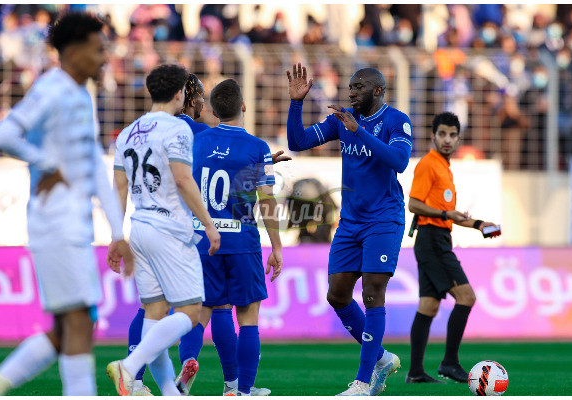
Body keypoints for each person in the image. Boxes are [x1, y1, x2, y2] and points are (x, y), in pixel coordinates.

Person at [0, 12, 133, 396]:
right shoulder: (53, 90)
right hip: (55, 224)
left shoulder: (77, 94)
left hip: (71, 224)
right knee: (79, 321)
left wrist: (118, 231)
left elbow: (93, 167)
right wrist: (45, 163)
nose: (104, 57)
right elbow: (1, 133)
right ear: (73, 51)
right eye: (98, 49)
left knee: (66, 327)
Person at [286, 64, 411, 396]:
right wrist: (296, 102)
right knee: (337, 294)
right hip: (351, 221)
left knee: (372, 293)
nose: (352, 91)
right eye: (350, 85)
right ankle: (382, 358)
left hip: (383, 219)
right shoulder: (340, 120)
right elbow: (297, 141)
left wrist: (360, 131)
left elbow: (399, 161)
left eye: (359, 86)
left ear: (378, 91)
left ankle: (362, 382)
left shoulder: (396, 120)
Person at [105, 63, 220, 396]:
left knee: (154, 315)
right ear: (180, 93)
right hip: (170, 228)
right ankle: (128, 367)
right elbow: (183, 180)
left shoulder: (127, 133)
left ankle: (170, 392)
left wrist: (116, 235)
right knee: (190, 311)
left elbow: (120, 189)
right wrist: (210, 225)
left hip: (139, 229)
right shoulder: (177, 128)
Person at [176, 78, 283, 396]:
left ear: (210, 109)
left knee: (199, 313)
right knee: (247, 317)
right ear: (244, 107)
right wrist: (276, 246)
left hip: (203, 240)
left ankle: (188, 364)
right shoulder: (257, 148)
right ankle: (241, 390)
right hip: (241, 241)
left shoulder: (197, 142)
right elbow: (266, 200)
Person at [405, 111, 500, 384]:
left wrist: (479, 224)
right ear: (433, 135)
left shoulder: (445, 168)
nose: (447, 139)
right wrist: (446, 216)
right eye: (442, 134)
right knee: (467, 297)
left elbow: (449, 214)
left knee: (428, 306)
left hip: (435, 238)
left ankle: (415, 372)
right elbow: (413, 204)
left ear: (458, 138)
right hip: (432, 241)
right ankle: (449, 363)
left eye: (453, 135)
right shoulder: (428, 164)